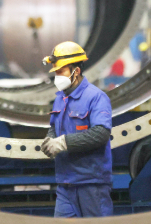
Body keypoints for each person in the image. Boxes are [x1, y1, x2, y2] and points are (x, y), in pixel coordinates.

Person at [41, 41, 113, 217]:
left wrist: (64, 143)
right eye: (55, 72)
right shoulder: (60, 98)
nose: (57, 77)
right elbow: (54, 126)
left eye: (61, 71)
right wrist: (50, 140)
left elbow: (101, 133)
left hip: (91, 184)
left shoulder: (96, 97)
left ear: (76, 71)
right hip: (65, 184)